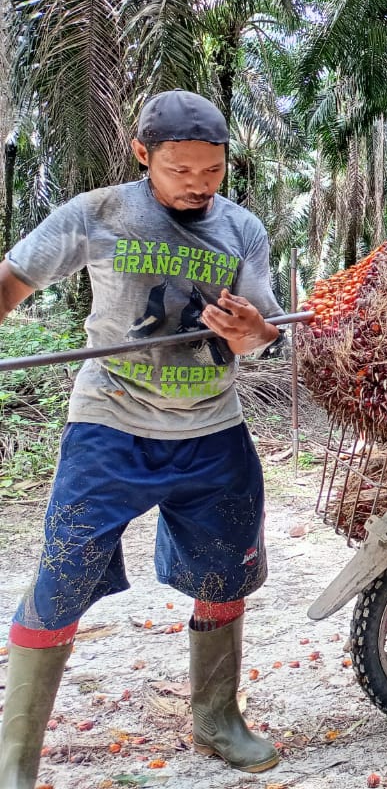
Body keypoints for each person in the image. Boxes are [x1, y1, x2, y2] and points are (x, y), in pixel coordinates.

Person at [0, 91, 284, 786]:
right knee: (61, 580)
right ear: (142, 156)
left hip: (213, 433)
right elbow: (13, 278)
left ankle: (217, 720)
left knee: (224, 574)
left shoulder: (242, 230)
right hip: (110, 428)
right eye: (180, 169)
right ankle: (15, 763)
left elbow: (270, 333)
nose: (197, 184)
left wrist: (256, 336)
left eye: (211, 171)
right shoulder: (100, 214)